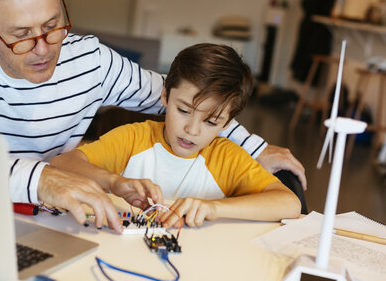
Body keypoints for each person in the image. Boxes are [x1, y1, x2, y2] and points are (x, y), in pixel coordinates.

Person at [0, 0, 304, 232]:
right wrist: (45, 179)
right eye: (21, 36)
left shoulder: (90, 59)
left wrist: (253, 147)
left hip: (54, 223)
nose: (44, 49)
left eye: (54, 24)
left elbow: (179, 96)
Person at [50, 44, 301, 227]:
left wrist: (213, 208)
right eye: (183, 110)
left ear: (227, 123)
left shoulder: (227, 158)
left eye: (211, 121)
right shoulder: (133, 139)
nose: (192, 130)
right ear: (165, 97)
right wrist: (114, 182)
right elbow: (61, 164)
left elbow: (290, 204)